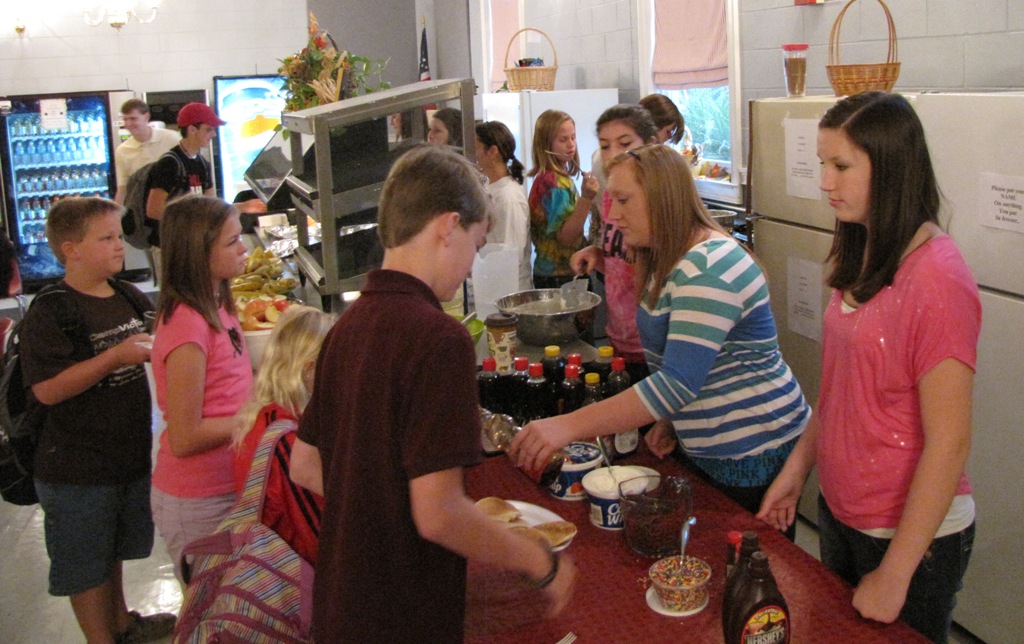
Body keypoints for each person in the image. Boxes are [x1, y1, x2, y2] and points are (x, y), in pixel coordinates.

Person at [289, 145, 575, 643]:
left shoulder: (347, 327)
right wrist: (538, 560)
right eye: (476, 241)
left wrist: (376, 509)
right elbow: (439, 513)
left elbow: (307, 466)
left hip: (343, 599)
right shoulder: (438, 338)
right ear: (447, 226)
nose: (472, 264)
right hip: (405, 611)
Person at [756, 92, 980, 643]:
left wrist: (896, 572)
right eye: (821, 165)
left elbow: (949, 442)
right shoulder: (862, 246)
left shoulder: (938, 278)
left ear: (893, 168)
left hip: (909, 535)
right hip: (839, 510)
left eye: (841, 166)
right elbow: (837, 393)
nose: (825, 182)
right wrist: (795, 474)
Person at [511, 145, 810, 518]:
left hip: (751, 446)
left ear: (662, 199)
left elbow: (678, 382)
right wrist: (672, 419)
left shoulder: (709, 265)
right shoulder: (663, 256)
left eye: (623, 200)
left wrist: (564, 427)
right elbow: (692, 358)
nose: (614, 216)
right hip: (708, 444)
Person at [22, 196, 175, 643]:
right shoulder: (53, 310)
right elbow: (48, 389)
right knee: (85, 560)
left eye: (117, 235)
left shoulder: (125, 294)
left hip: (123, 454)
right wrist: (114, 358)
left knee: (113, 548)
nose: (118, 246)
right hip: (74, 465)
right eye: (105, 238)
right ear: (71, 249)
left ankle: (122, 621)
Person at [150, 195, 253, 584]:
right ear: (198, 253)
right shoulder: (187, 325)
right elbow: (185, 436)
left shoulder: (218, 304)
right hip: (198, 501)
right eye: (232, 242)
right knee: (210, 612)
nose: (243, 248)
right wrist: (259, 416)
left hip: (228, 486)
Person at [231, 305, 333, 566]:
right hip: (292, 575)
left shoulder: (263, 415)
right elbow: (319, 537)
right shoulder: (287, 441)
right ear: (310, 369)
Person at [572, 105, 658, 382]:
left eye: (625, 143)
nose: (613, 155)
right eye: (605, 146)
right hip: (619, 334)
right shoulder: (610, 196)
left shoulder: (659, 202)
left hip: (653, 343)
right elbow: (620, 259)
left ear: (650, 145)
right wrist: (598, 254)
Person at [527, 109, 599, 289]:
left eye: (573, 137)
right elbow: (566, 237)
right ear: (545, 144)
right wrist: (587, 199)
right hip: (560, 276)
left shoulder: (559, 178)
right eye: (563, 139)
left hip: (556, 273)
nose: (571, 145)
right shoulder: (553, 183)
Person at [143, 102, 222, 248]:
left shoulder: (203, 164)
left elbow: (210, 204)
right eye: (209, 129)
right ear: (192, 129)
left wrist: (240, 207)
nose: (214, 134)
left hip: (188, 243)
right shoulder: (169, 163)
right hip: (167, 245)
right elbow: (153, 210)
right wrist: (191, 221)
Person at [475, 120, 532, 291]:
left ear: (492, 151)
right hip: (492, 288)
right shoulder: (489, 187)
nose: (472, 153)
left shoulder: (509, 197)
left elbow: (510, 258)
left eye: (476, 147)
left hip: (509, 294)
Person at [112, 98, 179, 206]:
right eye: (125, 119)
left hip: (174, 206)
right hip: (142, 210)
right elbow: (123, 188)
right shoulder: (122, 151)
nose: (128, 124)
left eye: (133, 118)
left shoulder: (172, 139)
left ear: (147, 117)